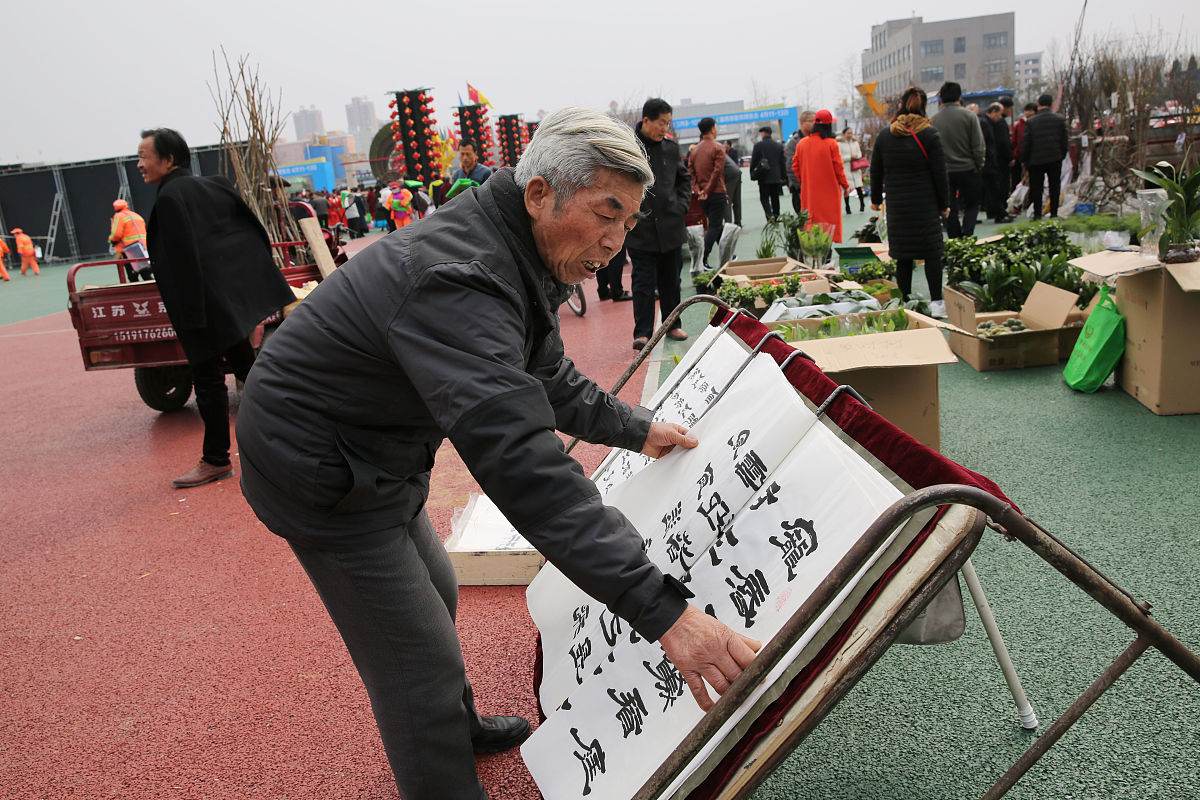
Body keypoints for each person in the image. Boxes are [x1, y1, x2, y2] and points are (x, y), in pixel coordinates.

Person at [235, 106, 760, 800]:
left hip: (377, 448)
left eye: (630, 221)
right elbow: (522, 460)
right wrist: (663, 612)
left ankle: (459, 726)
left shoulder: (514, 244)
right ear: (540, 193)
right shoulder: (462, 277)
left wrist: (635, 428)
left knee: (438, 591)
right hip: (318, 468)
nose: (616, 242)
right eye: (606, 213)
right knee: (414, 661)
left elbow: (543, 375)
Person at [136, 127, 296, 489]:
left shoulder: (170, 198)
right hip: (227, 303)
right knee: (249, 370)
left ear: (169, 159)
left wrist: (193, 319)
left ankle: (216, 460)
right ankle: (294, 433)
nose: (140, 164)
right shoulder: (216, 185)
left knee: (208, 382)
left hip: (201, 309)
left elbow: (183, 262)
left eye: (144, 156)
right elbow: (252, 232)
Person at [870, 87, 950, 317]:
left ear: (900, 106)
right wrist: (944, 204)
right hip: (925, 204)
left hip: (898, 206)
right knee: (932, 254)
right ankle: (936, 302)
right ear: (924, 107)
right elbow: (940, 173)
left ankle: (903, 302)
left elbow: (876, 170)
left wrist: (876, 199)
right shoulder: (930, 134)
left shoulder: (886, 136)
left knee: (902, 256)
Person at [626, 97, 692, 349]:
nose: (665, 127)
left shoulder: (671, 149)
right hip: (640, 228)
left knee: (671, 281)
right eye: (661, 122)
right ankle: (642, 332)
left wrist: (682, 206)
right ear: (646, 120)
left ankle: (673, 324)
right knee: (643, 283)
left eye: (668, 123)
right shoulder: (629, 148)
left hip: (671, 227)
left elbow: (684, 179)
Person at [931, 82, 985, 239]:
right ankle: (968, 234)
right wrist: (979, 164)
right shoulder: (970, 116)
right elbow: (978, 145)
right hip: (968, 168)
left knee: (949, 207)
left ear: (941, 99)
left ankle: (954, 237)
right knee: (972, 204)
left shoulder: (933, 120)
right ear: (960, 97)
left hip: (944, 171)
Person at [792, 109, 850, 243]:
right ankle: (826, 253)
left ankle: (815, 252)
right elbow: (839, 168)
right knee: (828, 226)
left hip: (809, 193)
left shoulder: (802, 144)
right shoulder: (831, 144)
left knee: (812, 224)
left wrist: (805, 180)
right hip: (829, 192)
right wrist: (845, 186)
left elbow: (795, 167)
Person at [1022, 93, 1070, 220]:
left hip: (1035, 160)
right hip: (1054, 158)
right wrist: (1061, 155)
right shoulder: (1059, 120)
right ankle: (1054, 213)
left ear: (1038, 104)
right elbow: (1064, 141)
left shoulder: (1031, 122)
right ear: (1051, 104)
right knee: (1054, 186)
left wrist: (1025, 161)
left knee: (1036, 188)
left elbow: (1026, 143)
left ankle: (1037, 214)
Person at [688, 117, 727, 271]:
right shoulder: (718, 148)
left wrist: (699, 191)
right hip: (716, 192)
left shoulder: (694, 150)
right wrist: (708, 190)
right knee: (715, 225)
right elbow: (717, 172)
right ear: (712, 129)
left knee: (715, 225)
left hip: (702, 195)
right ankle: (702, 258)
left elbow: (691, 173)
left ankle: (727, 255)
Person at [979, 104, 1014, 223]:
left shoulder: (986, 122)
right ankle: (999, 214)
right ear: (993, 111)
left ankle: (995, 212)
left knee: (991, 189)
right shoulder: (985, 123)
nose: (1000, 117)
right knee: (994, 188)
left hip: (988, 161)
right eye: (999, 114)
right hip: (989, 162)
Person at [749, 125, 786, 222]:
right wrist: (783, 176)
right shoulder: (778, 146)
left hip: (763, 176)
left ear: (763, 133)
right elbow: (782, 162)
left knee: (764, 198)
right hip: (776, 176)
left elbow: (754, 161)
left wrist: (752, 173)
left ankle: (769, 215)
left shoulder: (758, 146)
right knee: (775, 197)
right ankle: (776, 215)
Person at [109, 199, 152, 281]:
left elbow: (116, 234)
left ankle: (136, 289)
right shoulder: (137, 215)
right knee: (145, 273)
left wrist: (112, 241)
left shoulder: (118, 216)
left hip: (129, 249)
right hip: (142, 247)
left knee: (132, 275)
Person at [784, 111, 815, 214]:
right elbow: (791, 167)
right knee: (804, 218)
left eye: (815, 121)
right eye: (811, 121)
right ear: (802, 122)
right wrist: (799, 188)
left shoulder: (817, 139)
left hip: (816, 187)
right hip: (800, 188)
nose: (814, 123)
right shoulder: (794, 143)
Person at [1010, 103, 1037, 209]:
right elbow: (1014, 141)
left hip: (1034, 158)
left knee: (1033, 182)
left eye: (1030, 110)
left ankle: (1030, 203)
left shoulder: (1036, 123)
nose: (1028, 113)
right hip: (1019, 157)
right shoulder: (1019, 125)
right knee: (1018, 181)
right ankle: (1017, 204)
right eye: (1027, 110)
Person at [838, 128, 866, 214]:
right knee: (847, 188)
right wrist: (849, 157)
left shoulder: (855, 143)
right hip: (846, 168)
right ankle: (847, 206)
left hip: (855, 168)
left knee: (859, 187)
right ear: (844, 134)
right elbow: (839, 157)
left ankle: (862, 204)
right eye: (848, 133)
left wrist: (856, 156)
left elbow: (859, 153)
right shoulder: (839, 144)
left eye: (851, 133)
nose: (850, 135)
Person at [722, 141, 743, 227]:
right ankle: (738, 222)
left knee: (727, 199)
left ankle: (728, 224)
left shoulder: (710, 151)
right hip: (737, 172)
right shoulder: (718, 149)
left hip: (729, 175)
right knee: (737, 199)